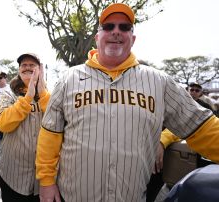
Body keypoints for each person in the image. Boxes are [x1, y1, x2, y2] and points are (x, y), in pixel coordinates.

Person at [35, 3, 219, 202]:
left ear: (133, 38)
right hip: (73, 196)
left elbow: (201, 126)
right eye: (108, 26)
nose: (116, 31)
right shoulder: (68, 79)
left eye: (124, 27)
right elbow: (50, 134)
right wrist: (46, 181)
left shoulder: (159, 82)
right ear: (97, 37)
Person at [0, 53, 49, 201]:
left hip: (42, 177)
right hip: (13, 175)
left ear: (40, 69)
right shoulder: (9, 92)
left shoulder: (50, 94)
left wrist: (42, 93)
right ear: (19, 70)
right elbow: (2, 124)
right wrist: (27, 98)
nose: (27, 67)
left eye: (32, 65)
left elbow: (57, 120)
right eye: (23, 65)